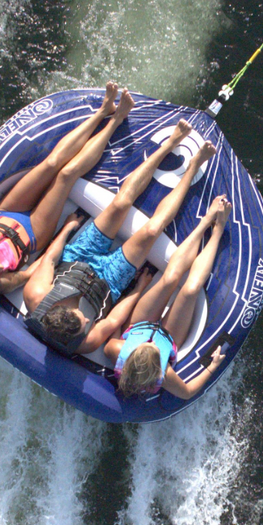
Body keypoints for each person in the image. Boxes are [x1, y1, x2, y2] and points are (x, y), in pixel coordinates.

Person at [22, 120, 217, 355]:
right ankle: (193, 167)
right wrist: (139, 288)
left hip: (80, 255)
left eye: (81, 319)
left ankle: (170, 144)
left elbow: (49, 260)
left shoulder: (35, 295)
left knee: (121, 203)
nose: (87, 322)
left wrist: (67, 228)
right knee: (152, 230)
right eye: (85, 324)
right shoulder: (87, 341)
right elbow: (114, 319)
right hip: (111, 281)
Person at [0, 83, 131, 322]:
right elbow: (35, 270)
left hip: (7, 212)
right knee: (66, 175)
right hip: (33, 234)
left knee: (52, 163)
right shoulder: (0, 283)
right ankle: (117, 119)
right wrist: (64, 232)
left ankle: (103, 111)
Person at [103, 195, 232, 399]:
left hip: (139, 324)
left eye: (147, 346)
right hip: (170, 337)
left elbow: (114, 323)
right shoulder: (164, 375)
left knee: (170, 279)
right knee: (191, 289)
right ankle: (217, 231)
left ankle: (205, 221)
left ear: (131, 353)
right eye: (155, 349)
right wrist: (212, 366)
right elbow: (187, 393)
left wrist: (136, 290)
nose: (153, 343)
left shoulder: (115, 349)